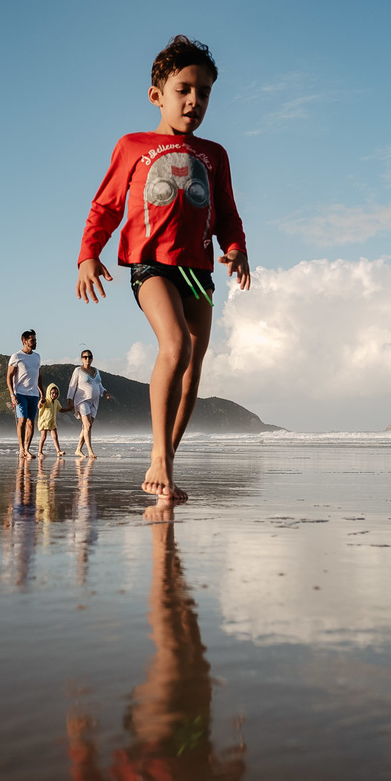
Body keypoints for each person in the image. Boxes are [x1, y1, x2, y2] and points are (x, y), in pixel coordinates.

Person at [75, 35, 251, 501]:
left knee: (193, 365)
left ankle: (167, 460)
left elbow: (228, 214)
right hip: (150, 265)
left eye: (204, 93)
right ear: (157, 94)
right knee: (175, 346)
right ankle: (157, 456)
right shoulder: (133, 145)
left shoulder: (215, 154)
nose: (195, 100)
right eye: (184, 89)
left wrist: (236, 248)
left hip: (199, 271)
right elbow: (106, 206)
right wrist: (89, 254)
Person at [65, 349, 111, 459]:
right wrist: (69, 400)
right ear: (81, 359)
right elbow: (72, 385)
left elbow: (99, 385)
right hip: (82, 401)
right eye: (85, 357)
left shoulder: (96, 371)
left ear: (92, 358)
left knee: (86, 427)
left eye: (89, 357)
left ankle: (78, 449)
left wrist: (105, 393)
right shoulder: (78, 370)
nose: (87, 359)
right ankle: (90, 451)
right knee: (88, 425)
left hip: (94, 402)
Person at [6, 329, 43, 459]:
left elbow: (38, 376)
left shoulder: (37, 356)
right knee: (22, 420)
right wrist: (12, 394)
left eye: (35, 340)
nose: (35, 342)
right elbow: (9, 377)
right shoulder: (16, 356)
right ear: (24, 341)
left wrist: (42, 394)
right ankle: (21, 449)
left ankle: (27, 449)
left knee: (31, 422)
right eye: (32, 340)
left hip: (33, 394)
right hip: (20, 393)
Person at [36, 383, 71, 457]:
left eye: (56, 393)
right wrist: (40, 402)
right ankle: (40, 451)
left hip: (52, 422)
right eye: (53, 393)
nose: (54, 395)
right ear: (49, 392)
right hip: (44, 421)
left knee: (55, 436)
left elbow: (60, 410)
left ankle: (58, 451)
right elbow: (39, 406)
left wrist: (68, 409)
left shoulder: (56, 402)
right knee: (43, 437)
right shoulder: (46, 401)